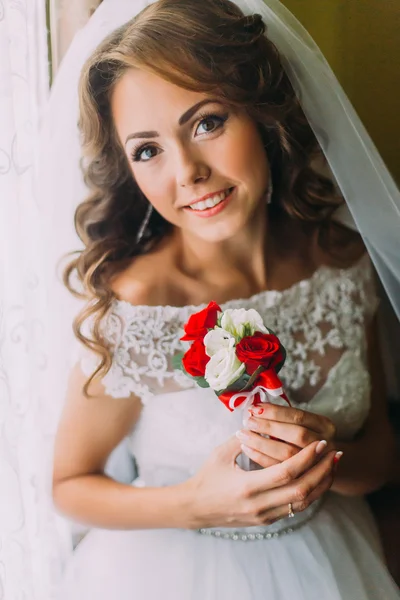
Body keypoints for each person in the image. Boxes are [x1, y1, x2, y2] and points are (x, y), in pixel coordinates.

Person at [49, 0, 400, 598]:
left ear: (262, 116)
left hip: (334, 562)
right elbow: (69, 485)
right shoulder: (141, 303)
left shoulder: (341, 261)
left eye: (207, 122)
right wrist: (195, 503)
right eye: (147, 149)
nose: (186, 171)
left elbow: (382, 456)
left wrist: (323, 457)